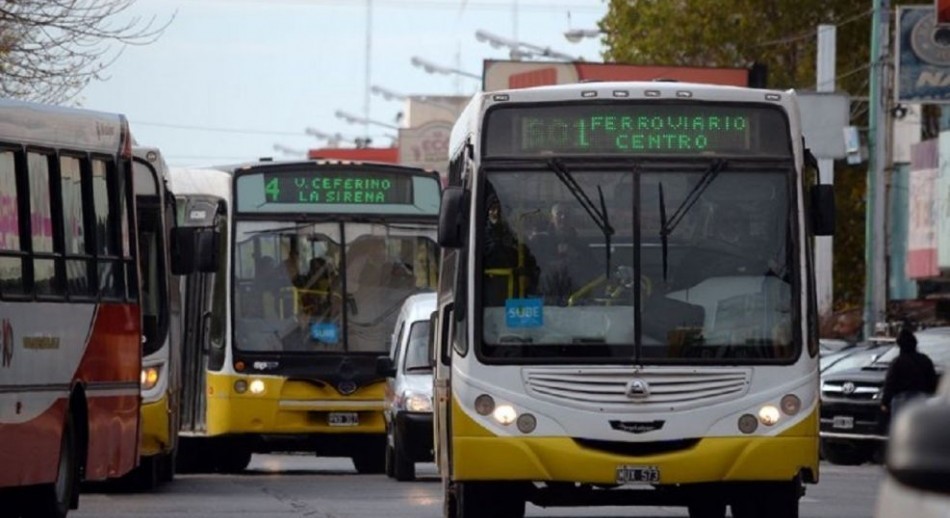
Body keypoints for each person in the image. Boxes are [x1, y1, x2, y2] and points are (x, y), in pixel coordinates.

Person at [881, 325, 939, 421]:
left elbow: (890, 383)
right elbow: (932, 380)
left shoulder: (897, 362)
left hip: (901, 399)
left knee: (900, 427)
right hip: (921, 398)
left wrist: (885, 402)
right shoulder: (925, 360)